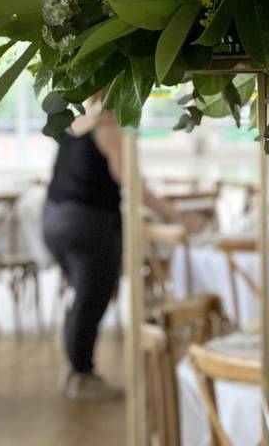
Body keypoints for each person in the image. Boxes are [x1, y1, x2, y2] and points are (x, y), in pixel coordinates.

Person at [43, 100, 186, 402]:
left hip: (54, 219)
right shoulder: (107, 125)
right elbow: (131, 182)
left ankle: (75, 369)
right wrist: (174, 215)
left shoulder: (77, 123)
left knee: (83, 297)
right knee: (91, 297)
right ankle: (82, 375)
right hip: (86, 224)